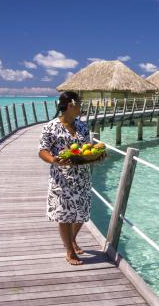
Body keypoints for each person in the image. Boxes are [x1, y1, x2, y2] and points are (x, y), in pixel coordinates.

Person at [38, 91, 101, 265]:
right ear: (70, 105)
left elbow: (87, 147)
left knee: (81, 213)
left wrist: (96, 154)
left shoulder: (82, 126)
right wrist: (53, 160)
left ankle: (72, 239)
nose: (81, 107)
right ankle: (69, 250)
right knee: (64, 215)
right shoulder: (50, 127)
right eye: (79, 104)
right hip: (62, 177)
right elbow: (42, 150)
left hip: (82, 177)